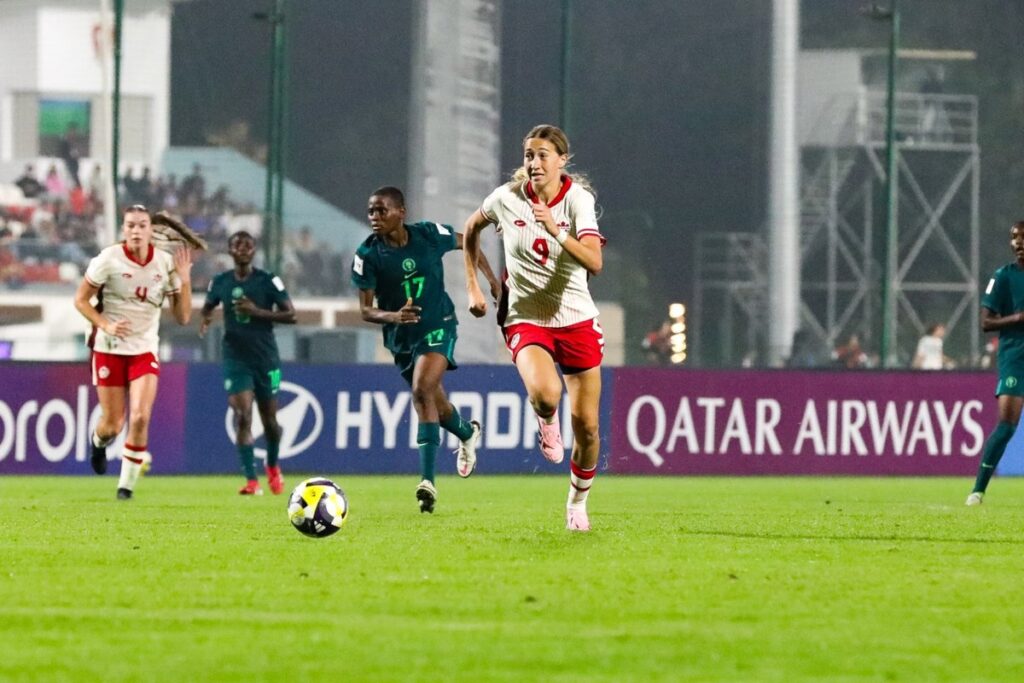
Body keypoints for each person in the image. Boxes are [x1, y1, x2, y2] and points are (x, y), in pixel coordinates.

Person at [462, 124, 607, 532]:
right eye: (529, 155)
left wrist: (556, 230)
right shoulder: (506, 199)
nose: (535, 162)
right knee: (546, 394)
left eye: (544, 155)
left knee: (588, 428)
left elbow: (595, 263)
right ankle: (546, 419)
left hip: (577, 320)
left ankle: (577, 503)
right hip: (526, 318)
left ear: (562, 160)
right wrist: (474, 286)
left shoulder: (578, 201)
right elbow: (470, 229)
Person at [351, 186, 499, 513]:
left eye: (382, 210)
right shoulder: (367, 256)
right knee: (437, 406)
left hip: (438, 324)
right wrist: (394, 316)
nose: (375, 217)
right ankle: (467, 433)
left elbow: (469, 240)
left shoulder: (429, 235)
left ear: (401, 212)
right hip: (401, 339)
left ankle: (427, 482)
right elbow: (365, 310)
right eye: (371, 211)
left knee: (421, 391)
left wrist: (490, 280)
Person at [73, 205, 197, 500]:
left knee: (140, 417)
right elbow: (80, 301)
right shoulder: (108, 259)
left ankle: (125, 488)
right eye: (130, 225)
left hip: (144, 348)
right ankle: (98, 443)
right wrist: (106, 324)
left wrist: (184, 280)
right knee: (113, 424)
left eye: (142, 225)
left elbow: (183, 317)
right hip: (109, 347)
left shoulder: (164, 263)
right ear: (123, 229)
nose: (136, 230)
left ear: (150, 230)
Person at [200, 231, 296, 495]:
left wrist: (257, 312)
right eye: (237, 245)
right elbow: (208, 305)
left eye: (248, 245)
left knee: (270, 422)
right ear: (230, 250)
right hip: (235, 357)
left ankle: (272, 465)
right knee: (243, 415)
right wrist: (206, 318)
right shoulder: (220, 282)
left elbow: (291, 315)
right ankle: (251, 481)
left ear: (254, 251)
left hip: (265, 358)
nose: (242, 249)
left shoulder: (268, 281)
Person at [967, 221, 1024, 506]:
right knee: (1007, 425)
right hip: (1015, 357)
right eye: (1014, 237)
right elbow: (986, 322)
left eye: (1023, 237)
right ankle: (977, 491)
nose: (1018, 242)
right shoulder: (1003, 276)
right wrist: (1017, 318)